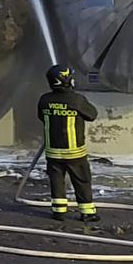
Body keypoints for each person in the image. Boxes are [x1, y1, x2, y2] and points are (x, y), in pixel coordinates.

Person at [37, 63, 98, 224]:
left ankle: (59, 212)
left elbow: (41, 117)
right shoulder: (77, 100)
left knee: (56, 180)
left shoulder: (45, 100)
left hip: (53, 152)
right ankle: (87, 212)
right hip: (74, 152)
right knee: (82, 180)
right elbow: (92, 115)